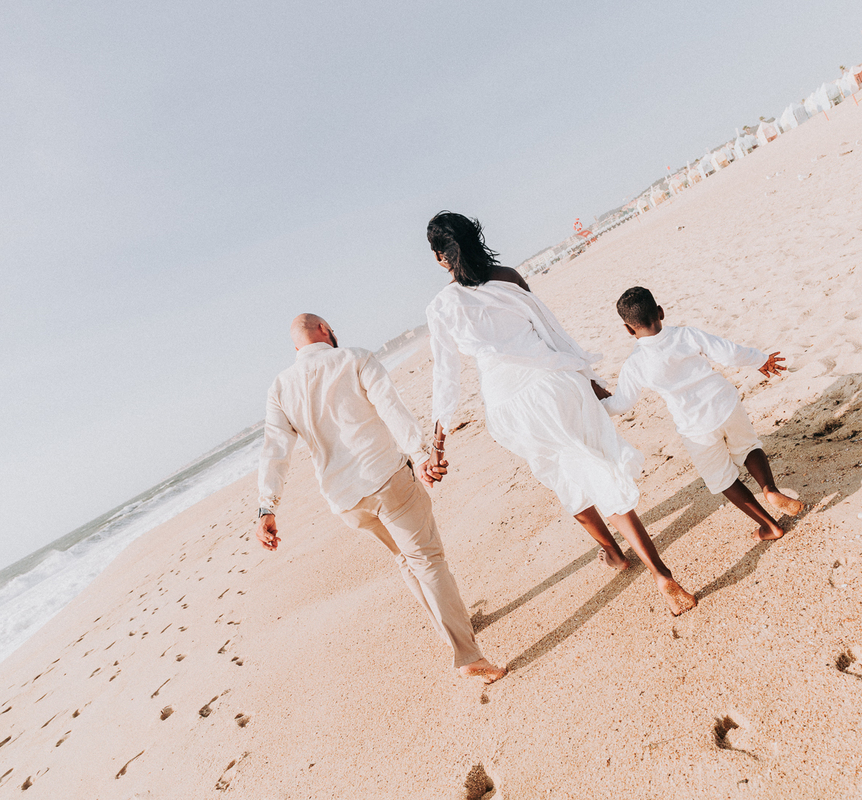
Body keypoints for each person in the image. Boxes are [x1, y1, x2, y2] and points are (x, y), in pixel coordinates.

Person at [422, 213, 697, 616]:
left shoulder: (441, 307)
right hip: (554, 384)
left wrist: (437, 445)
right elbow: (551, 332)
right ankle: (660, 573)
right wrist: (589, 377)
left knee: (562, 474)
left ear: (438, 258)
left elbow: (445, 378)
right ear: (476, 239)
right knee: (597, 467)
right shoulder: (508, 276)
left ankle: (614, 555)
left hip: (509, 405)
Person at [256, 313, 505, 683]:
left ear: (297, 347)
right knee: (427, 561)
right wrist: (420, 455)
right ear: (325, 329)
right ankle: (468, 654)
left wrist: (267, 506)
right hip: (386, 479)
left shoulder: (280, 386)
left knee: (406, 560)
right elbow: (391, 409)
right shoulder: (354, 357)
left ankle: (451, 629)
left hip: (346, 501)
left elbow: (275, 449)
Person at [603, 287, 804, 540]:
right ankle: (770, 489)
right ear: (660, 312)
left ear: (629, 330)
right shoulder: (686, 334)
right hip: (726, 404)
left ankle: (770, 526)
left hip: (696, 427)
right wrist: (760, 360)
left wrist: (597, 408)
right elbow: (729, 353)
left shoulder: (635, 363)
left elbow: (622, 403)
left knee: (722, 479)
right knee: (749, 447)